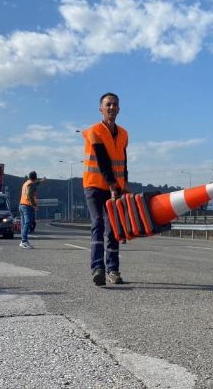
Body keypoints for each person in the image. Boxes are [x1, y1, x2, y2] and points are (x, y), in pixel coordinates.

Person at [82, 92, 129, 286]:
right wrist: (112, 186)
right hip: (94, 185)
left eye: (114, 105)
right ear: (101, 109)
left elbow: (123, 163)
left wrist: (123, 185)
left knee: (113, 229)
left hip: (115, 188)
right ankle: (97, 268)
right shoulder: (94, 131)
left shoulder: (124, 134)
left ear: (119, 109)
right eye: (108, 105)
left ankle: (113, 270)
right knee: (98, 223)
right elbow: (102, 161)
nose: (111, 107)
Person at [18, 171, 46, 249]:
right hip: (27, 206)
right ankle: (24, 241)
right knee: (28, 222)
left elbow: (34, 184)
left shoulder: (26, 183)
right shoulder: (31, 184)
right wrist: (35, 206)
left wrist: (41, 181)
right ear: (35, 178)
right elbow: (30, 195)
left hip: (21, 205)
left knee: (24, 224)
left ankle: (23, 240)